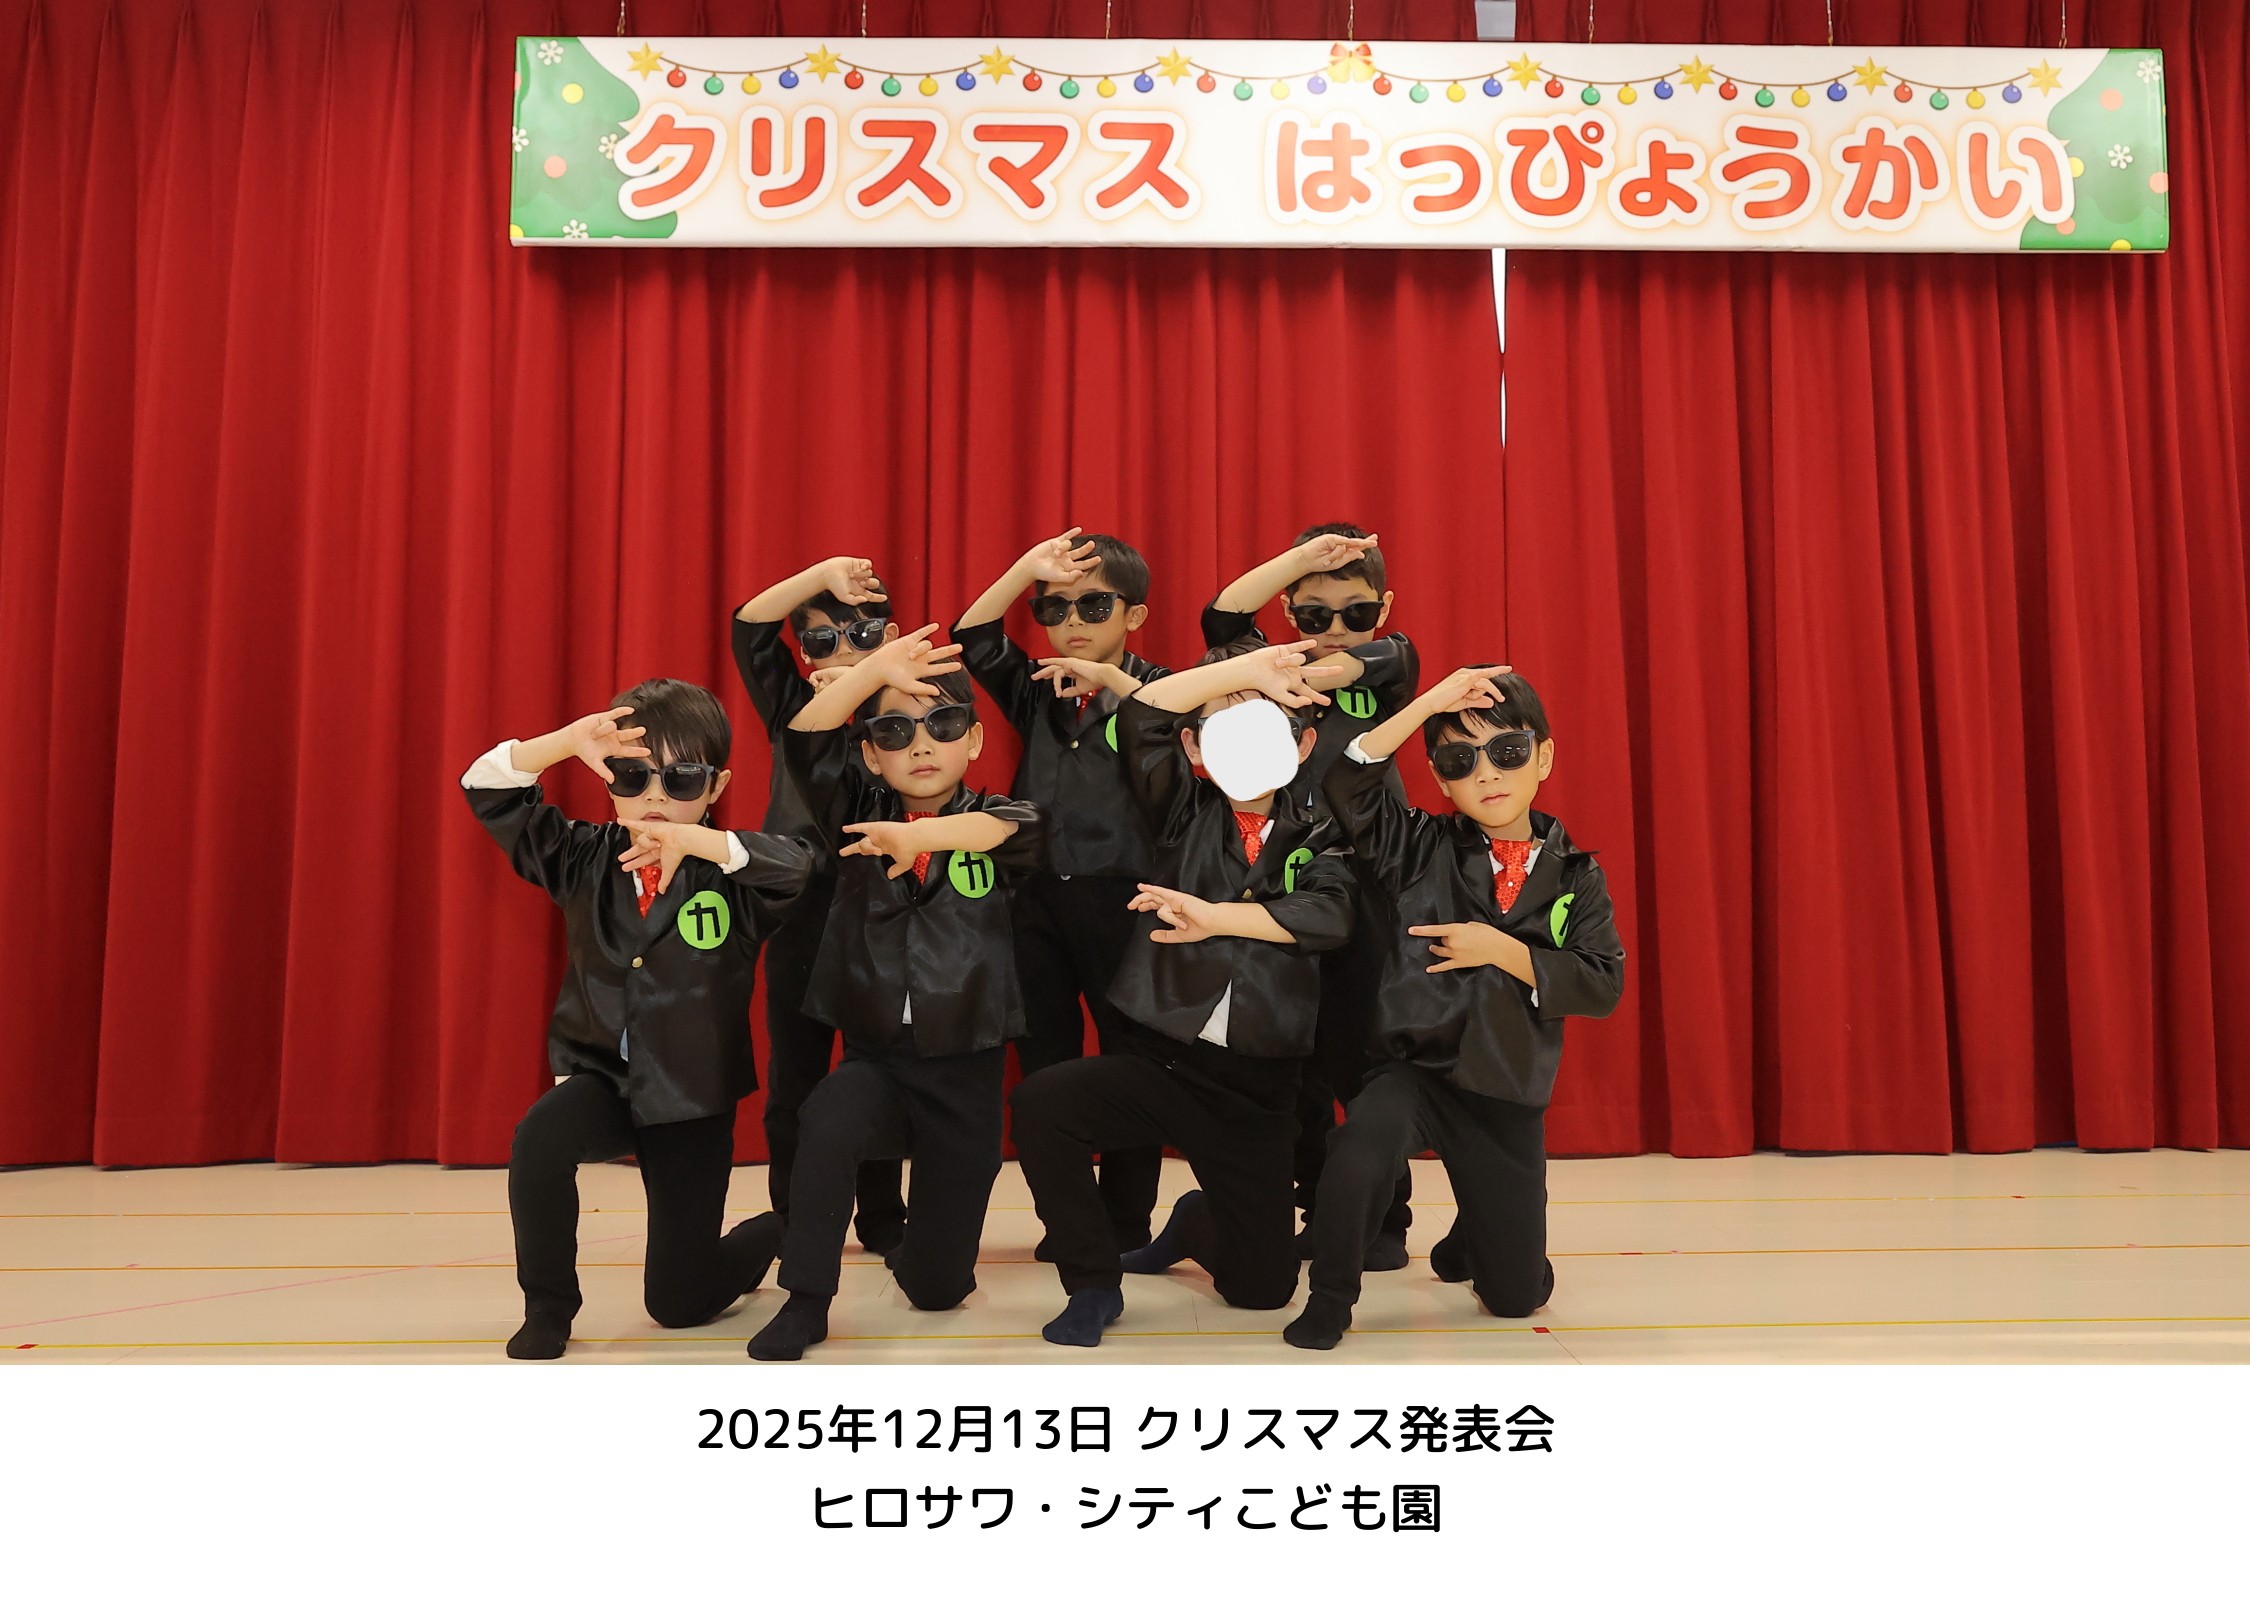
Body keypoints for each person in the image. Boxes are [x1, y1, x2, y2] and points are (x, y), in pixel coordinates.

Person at [1009, 641, 1355, 1347]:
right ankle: (1092, 1283)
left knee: (1262, 1291)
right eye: (1226, 728)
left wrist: (1216, 917)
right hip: (1162, 1060)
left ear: (1303, 743)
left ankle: (1197, 1221)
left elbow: (1329, 917)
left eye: (1265, 726)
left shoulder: (1326, 830)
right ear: (1195, 747)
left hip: (1259, 1085)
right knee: (1042, 1102)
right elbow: (1143, 713)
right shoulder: (1178, 809)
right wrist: (1242, 674)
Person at [461, 681, 814, 1360]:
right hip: (603, 1078)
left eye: (681, 779)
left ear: (715, 787)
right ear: (609, 781)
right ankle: (549, 1308)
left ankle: (769, 1232)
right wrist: (565, 742)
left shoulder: (734, 876)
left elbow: (798, 868)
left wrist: (704, 844)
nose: (655, 795)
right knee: (538, 1139)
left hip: (692, 1097)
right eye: (632, 775)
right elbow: (486, 787)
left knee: (678, 1304)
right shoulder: (580, 856)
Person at [1284, 667, 1626, 1351]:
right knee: (1358, 1148)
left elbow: (1602, 982)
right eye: (1459, 761)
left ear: (1544, 757)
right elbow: (1347, 779)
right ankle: (1330, 1298)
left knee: (1515, 1297)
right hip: (1414, 1072)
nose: (1486, 773)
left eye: (1507, 751)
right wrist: (1431, 703)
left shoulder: (1578, 874)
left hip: (1506, 1090)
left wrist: (1502, 949)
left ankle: (1476, 1237)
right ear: (1440, 781)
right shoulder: (1415, 846)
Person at [748, 629, 1046, 1361]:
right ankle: (806, 1299)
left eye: (943, 725)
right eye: (894, 731)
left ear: (974, 739)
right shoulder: (850, 811)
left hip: (967, 1070)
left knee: (938, 1288)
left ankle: (927, 1257)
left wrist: (923, 840)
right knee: (826, 1117)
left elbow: (1012, 829)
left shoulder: (1001, 819)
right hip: (876, 1056)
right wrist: (874, 669)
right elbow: (806, 736)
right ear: (871, 754)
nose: (921, 744)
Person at [1203, 523, 1422, 1266]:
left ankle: (1384, 1218)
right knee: (1289, 1057)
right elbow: (1222, 616)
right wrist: (1298, 560)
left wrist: (1290, 670)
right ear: (1289, 609)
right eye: (1313, 613)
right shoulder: (1263, 663)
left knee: (1363, 1059)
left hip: (1369, 890)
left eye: (1355, 613)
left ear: (1382, 609)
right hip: (1282, 887)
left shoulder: (1391, 662)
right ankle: (1315, 1206)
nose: (1335, 628)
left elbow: (1359, 662)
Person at [953, 529, 1170, 1251]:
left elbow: (1191, 730)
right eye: (1054, 607)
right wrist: (1025, 567)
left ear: (1135, 614)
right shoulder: (1035, 687)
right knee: (1045, 1064)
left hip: (1127, 901)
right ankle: (1070, 1224)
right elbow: (973, 633)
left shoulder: (1158, 687)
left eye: (1094, 605)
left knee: (1131, 1062)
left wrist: (1116, 684)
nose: (1072, 621)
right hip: (1037, 899)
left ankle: (1128, 1222)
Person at [732, 557, 906, 1253]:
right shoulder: (791, 708)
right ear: (803, 652)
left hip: (884, 910)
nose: (841, 651)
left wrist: (877, 679)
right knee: (796, 1074)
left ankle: (884, 1214)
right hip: (801, 908)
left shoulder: (906, 710)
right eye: (820, 640)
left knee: (879, 1069)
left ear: (889, 636)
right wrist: (821, 575)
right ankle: (793, 1215)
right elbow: (749, 626)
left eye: (860, 635)